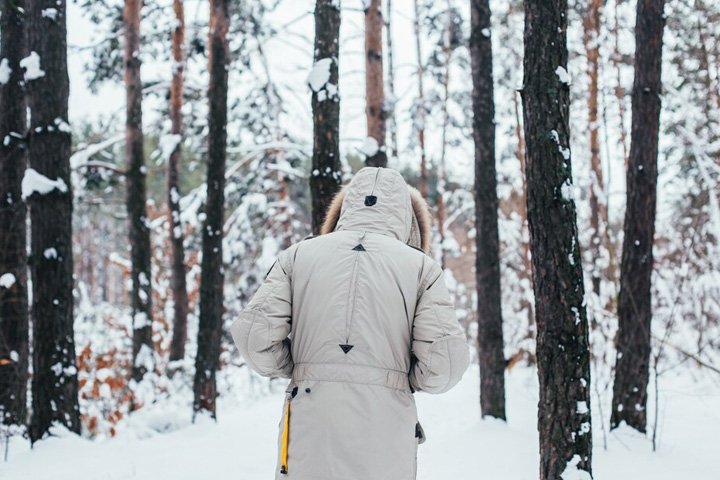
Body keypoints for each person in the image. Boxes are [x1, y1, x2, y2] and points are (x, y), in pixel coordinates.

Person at [231, 166, 470, 480]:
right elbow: (446, 364)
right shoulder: (420, 269)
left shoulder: (298, 256)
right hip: (384, 433)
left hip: (309, 425)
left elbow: (253, 337)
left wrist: (301, 366)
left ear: (345, 207)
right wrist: (400, 377)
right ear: (406, 216)